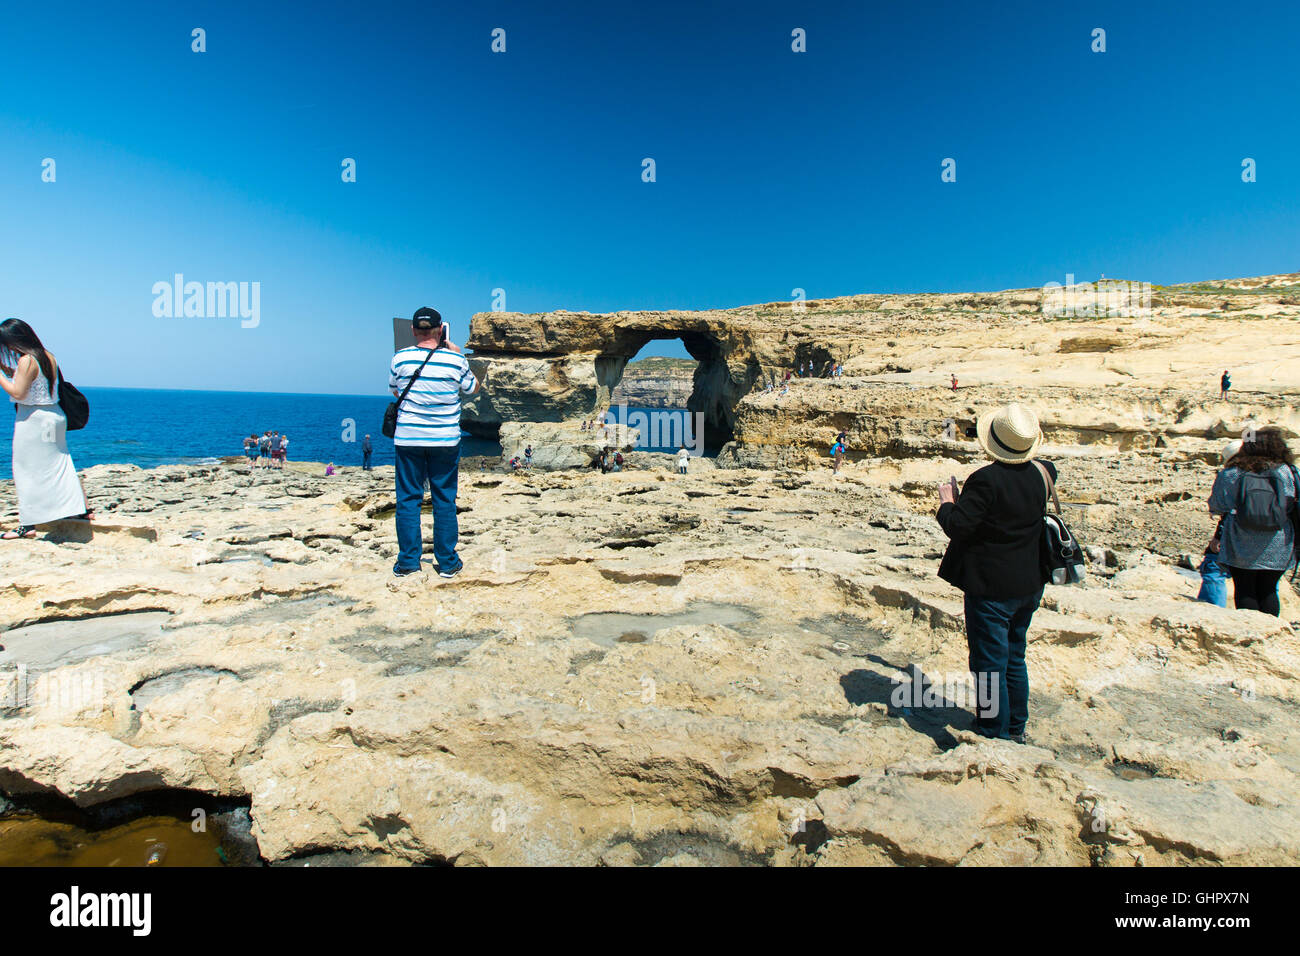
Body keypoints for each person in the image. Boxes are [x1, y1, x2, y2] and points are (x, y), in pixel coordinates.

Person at [936, 403, 1054, 743]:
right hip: (1030, 583)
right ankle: (1015, 727)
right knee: (1015, 657)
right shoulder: (1043, 473)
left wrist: (947, 502)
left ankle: (991, 732)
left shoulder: (985, 481)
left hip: (991, 588)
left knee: (989, 666)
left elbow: (959, 527)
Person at [389, 307, 479, 578]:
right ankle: (448, 563)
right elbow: (472, 388)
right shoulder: (455, 360)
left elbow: (395, 389)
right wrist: (457, 354)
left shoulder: (399, 358)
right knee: (444, 499)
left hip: (408, 439)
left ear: (413, 330)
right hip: (444, 440)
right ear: (441, 331)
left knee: (408, 499)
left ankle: (407, 563)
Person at [0, 319, 89, 538]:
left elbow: (19, 393)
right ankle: (78, 510)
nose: (7, 349)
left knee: (26, 470)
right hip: (54, 416)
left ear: (14, 340)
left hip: (34, 420)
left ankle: (27, 526)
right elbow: (35, 382)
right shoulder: (48, 356)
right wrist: (8, 371)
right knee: (59, 464)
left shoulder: (26, 361)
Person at [1208, 427, 1297, 617]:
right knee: (1269, 588)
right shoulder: (1287, 471)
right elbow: (1293, 501)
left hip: (1240, 540)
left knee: (1244, 586)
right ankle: (1270, 633)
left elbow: (1217, 506)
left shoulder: (1231, 473)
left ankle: (1250, 635)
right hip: (1278, 539)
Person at [1197, 439, 1243, 607]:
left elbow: (1217, 507)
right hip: (1272, 535)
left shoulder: (1230, 474)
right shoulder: (1275, 471)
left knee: (1213, 568)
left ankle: (1212, 609)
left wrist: (1218, 536)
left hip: (1233, 530)